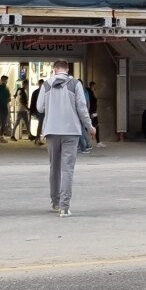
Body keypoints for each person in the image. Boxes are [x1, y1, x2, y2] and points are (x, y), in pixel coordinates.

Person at [37, 61, 94, 216]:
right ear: (67, 69)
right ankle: (64, 207)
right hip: (71, 131)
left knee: (54, 168)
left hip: (51, 131)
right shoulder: (75, 84)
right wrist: (89, 126)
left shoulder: (46, 85)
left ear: (54, 70)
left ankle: (55, 202)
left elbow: (39, 107)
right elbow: (82, 108)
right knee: (67, 168)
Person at [0, 75, 12, 143]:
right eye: (5, 80)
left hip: (4, 107)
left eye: (6, 80)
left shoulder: (6, 88)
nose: (6, 81)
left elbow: (9, 97)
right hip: (0, 107)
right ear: (2, 80)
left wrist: (8, 100)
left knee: (3, 122)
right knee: (2, 122)